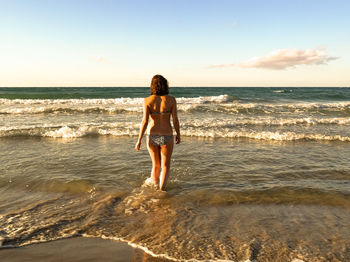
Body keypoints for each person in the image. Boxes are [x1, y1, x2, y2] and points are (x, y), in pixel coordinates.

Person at [135, 75, 180, 191]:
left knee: (156, 165)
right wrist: (178, 134)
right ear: (165, 85)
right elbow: (175, 120)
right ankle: (161, 191)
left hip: (152, 136)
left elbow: (144, 121)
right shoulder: (171, 100)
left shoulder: (147, 100)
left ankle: (153, 188)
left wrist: (139, 140)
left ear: (152, 86)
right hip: (167, 136)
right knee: (165, 166)